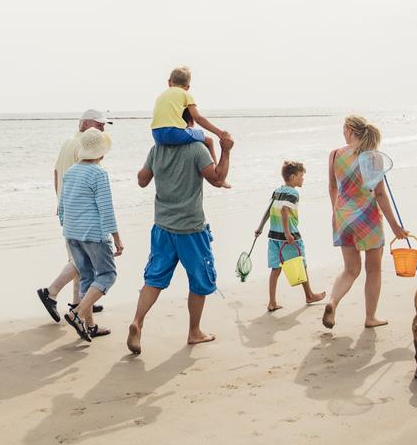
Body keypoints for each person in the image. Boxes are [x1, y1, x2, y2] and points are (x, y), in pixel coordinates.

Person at [126, 133, 235, 355]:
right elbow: (217, 179)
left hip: (162, 227)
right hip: (191, 230)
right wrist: (226, 151)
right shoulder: (196, 149)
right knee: (199, 281)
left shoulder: (157, 149)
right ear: (189, 123)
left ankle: (138, 321)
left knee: (154, 278)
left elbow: (141, 180)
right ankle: (194, 332)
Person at [322, 115, 409, 329]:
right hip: (368, 217)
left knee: (350, 270)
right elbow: (379, 194)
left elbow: (332, 188)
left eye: (344, 129)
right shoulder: (374, 157)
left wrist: (337, 211)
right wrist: (395, 226)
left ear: (351, 130)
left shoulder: (334, 155)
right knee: (373, 270)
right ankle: (370, 317)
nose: (343, 133)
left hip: (343, 216)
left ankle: (332, 302)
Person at [36, 109, 110, 322]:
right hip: (81, 211)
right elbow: (88, 181)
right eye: (99, 125)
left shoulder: (68, 142)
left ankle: (80, 302)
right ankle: (51, 292)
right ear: (86, 124)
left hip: (67, 208)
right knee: (82, 259)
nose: (103, 129)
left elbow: (57, 173)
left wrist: (61, 201)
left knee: (78, 259)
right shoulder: (85, 146)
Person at [59, 128, 123, 341]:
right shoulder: (99, 174)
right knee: (107, 275)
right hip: (93, 234)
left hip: (72, 232)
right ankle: (76, 314)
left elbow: (62, 206)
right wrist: (116, 238)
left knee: (87, 276)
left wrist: (67, 228)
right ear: (102, 153)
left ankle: (90, 325)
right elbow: (106, 208)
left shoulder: (71, 172)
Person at [254, 160, 325, 312]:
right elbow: (284, 210)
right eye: (301, 176)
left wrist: (260, 228)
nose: (303, 179)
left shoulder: (277, 191)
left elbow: (269, 210)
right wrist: (287, 233)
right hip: (289, 237)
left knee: (275, 269)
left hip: (273, 237)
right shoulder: (293, 193)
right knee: (301, 263)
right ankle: (309, 295)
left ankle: (272, 302)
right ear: (292, 177)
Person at [151, 67, 229, 182]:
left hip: (156, 135)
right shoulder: (186, 94)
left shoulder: (160, 96)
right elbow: (197, 118)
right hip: (173, 132)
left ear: (169, 82)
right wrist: (219, 132)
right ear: (187, 87)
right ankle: (217, 177)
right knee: (209, 141)